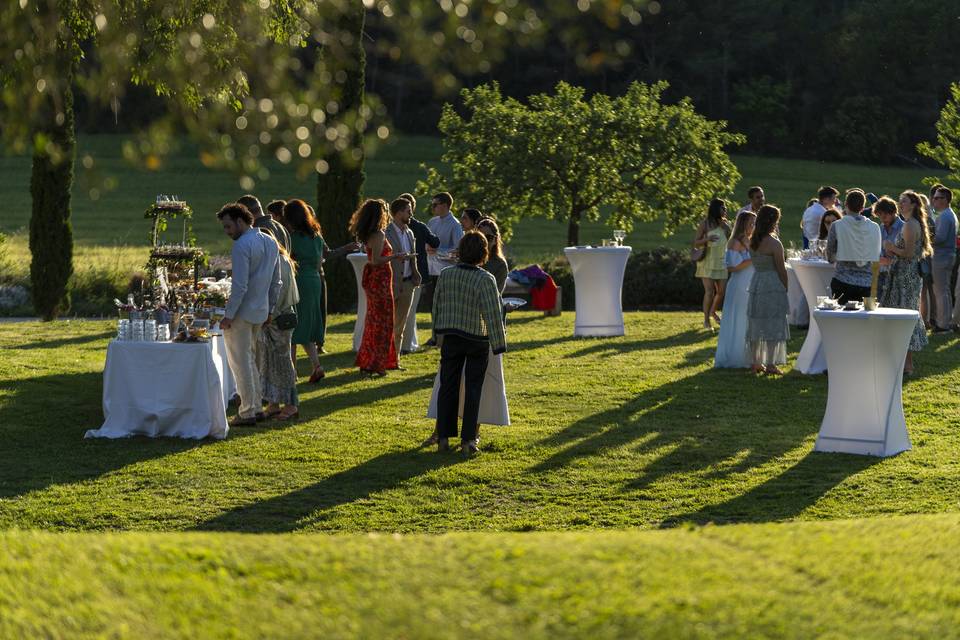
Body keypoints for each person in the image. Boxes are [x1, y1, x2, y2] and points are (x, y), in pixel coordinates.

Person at [432, 231, 507, 455]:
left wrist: (437, 334)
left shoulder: (446, 274)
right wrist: (499, 343)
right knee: (474, 390)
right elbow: (493, 313)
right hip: (477, 338)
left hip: (452, 336)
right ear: (483, 254)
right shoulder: (486, 279)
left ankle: (443, 438)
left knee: (448, 387)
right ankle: (468, 441)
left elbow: (437, 304)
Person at [217, 203, 282, 426]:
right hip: (261, 310)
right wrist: (271, 308)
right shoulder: (270, 240)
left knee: (240, 362)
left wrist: (228, 315)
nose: (227, 232)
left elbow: (240, 287)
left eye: (228, 227)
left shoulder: (242, 245)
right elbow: (277, 281)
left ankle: (247, 412)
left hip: (243, 313)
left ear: (241, 221)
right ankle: (255, 407)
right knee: (250, 360)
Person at [350, 198, 409, 376]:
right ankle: (377, 363)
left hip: (376, 280)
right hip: (380, 280)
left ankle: (372, 362)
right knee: (382, 322)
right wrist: (395, 256)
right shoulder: (379, 234)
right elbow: (375, 260)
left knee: (374, 320)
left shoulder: (370, 233)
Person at [880, 193, 930, 374]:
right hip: (905, 274)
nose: (900, 204)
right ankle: (904, 362)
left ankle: (907, 364)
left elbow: (908, 253)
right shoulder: (913, 223)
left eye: (904, 201)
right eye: (900, 201)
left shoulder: (910, 225)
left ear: (914, 205)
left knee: (904, 316)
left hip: (905, 277)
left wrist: (891, 247)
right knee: (904, 315)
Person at [257, 235, 300, 420]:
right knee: (268, 363)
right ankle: (273, 403)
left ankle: (291, 405)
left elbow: (279, 291)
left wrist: (269, 315)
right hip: (271, 318)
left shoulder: (279, 261)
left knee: (282, 363)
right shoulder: (278, 259)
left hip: (278, 318)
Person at [746, 205, 790, 375]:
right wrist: (785, 286)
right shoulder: (774, 243)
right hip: (772, 283)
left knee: (756, 322)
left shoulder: (752, 240)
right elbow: (781, 269)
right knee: (773, 323)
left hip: (757, 282)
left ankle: (756, 361)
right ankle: (770, 363)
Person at [398, 192, 440, 354]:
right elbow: (435, 242)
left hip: (405, 273)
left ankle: (406, 344)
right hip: (418, 274)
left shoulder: (395, 226)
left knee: (404, 310)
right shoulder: (420, 226)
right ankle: (408, 343)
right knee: (410, 309)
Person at [714, 210, 756, 369]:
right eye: (751, 223)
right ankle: (735, 357)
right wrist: (753, 259)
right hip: (739, 284)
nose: (753, 226)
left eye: (754, 223)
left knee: (748, 320)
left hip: (750, 282)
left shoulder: (750, 241)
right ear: (743, 224)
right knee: (738, 319)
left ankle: (748, 356)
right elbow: (732, 267)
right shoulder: (735, 243)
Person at [826, 189, 881, 304]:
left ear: (846, 205)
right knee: (861, 320)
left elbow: (830, 256)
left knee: (840, 318)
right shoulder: (874, 227)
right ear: (862, 208)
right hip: (865, 282)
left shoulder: (837, 226)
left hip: (842, 279)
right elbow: (877, 254)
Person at [424, 192, 464, 346]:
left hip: (445, 272)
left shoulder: (455, 225)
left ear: (445, 205)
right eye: (432, 204)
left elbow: (458, 251)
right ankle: (435, 336)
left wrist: (438, 251)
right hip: (430, 269)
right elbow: (424, 242)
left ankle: (444, 337)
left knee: (444, 306)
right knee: (432, 305)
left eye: (435, 204)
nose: (433, 207)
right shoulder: (432, 222)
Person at [384, 197, 422, 361]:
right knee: (387, 323)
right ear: (399, 213)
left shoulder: (409, 232)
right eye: (408, 211)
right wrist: (395, 257)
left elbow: (412, 258)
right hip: (392, 282)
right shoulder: (386, 232)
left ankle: (395, 359)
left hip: (407, 283)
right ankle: (384, 357)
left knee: (400, 324)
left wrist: (416, 273)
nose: (411, 214)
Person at [693, 198, 731, 330]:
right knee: (709, 292)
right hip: (708, 261)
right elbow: (696, 243)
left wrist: (727, 229)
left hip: (722, 261)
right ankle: (706, 321)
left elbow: (732, 241)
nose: (725, 210)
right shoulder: (705, 224)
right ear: (716, 209)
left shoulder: (726, 224)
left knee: (721, 292)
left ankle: (712, 311)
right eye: (723, 208)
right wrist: (707, 239)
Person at [929, 187, 957, 332]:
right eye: (934, 197)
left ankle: (942, 325)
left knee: (941, 291)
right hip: (945, 256)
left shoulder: (945, 216)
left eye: (937, 198)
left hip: (942, 257)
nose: (934, 200)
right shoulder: (947, 214)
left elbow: (940, 238)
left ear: (945, 200)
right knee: (943, 291)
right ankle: (944, 322)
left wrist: (926, 236)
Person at [876, 198, 904, 296]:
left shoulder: (903, 228)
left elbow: (909, 254)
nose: (883, 218)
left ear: (893, 212)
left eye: (885, 214)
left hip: (898, 275)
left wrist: (891, 260)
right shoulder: (881, 227)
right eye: (880, 214)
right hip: (882, 273)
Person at [477, 217, 508, 292]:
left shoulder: (500, 265)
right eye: (480, 237)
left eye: (488, 237)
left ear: (495, 240)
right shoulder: (467, 259)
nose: (484, 242)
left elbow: (495, 294)